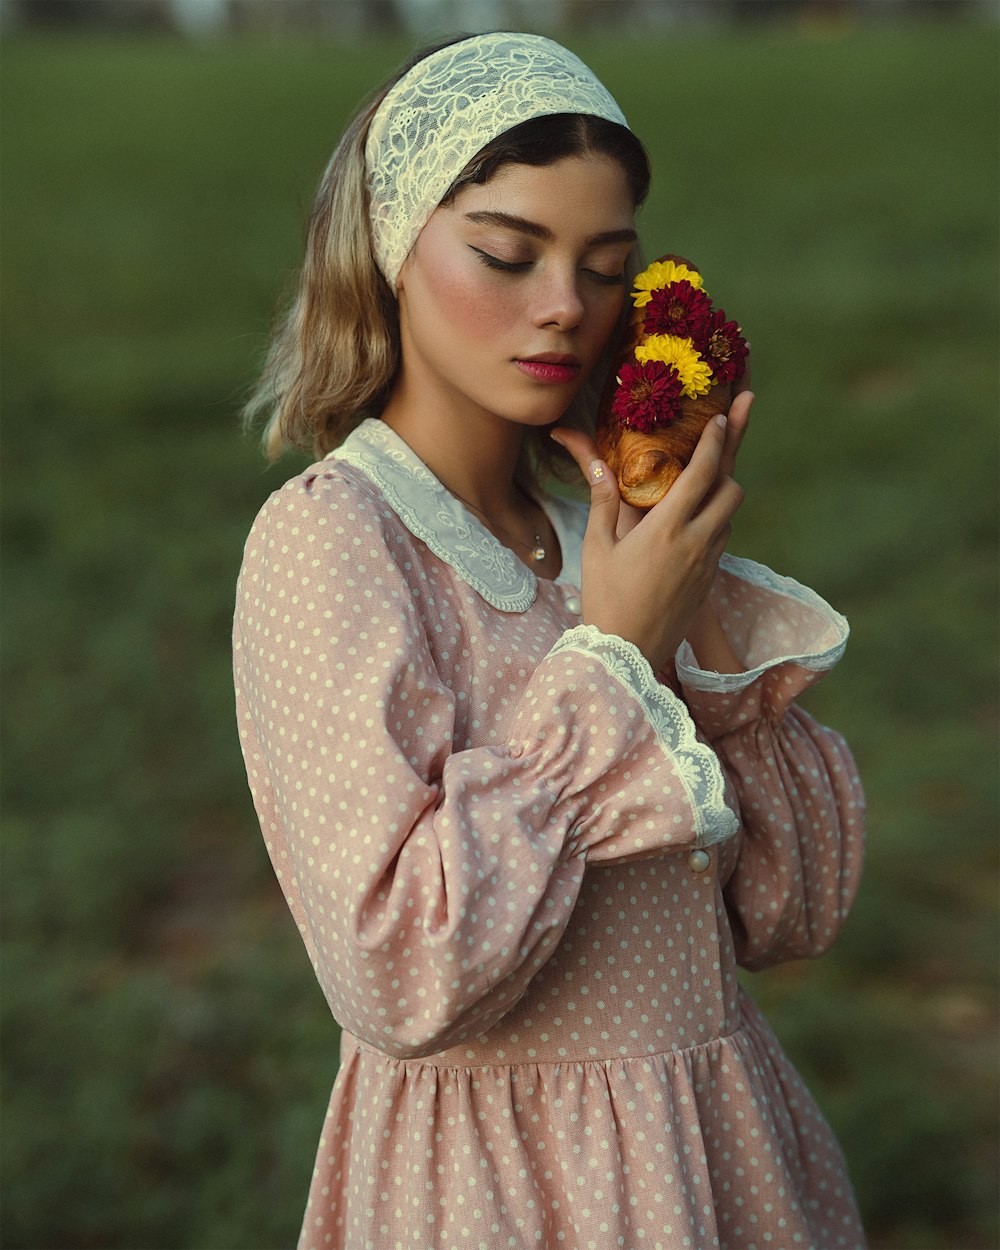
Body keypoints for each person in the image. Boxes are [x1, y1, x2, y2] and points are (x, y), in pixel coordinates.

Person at [234, 31, 866, 1250]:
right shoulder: (336, 543)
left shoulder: (607, 543)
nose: (565, 306)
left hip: (715, 1146)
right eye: (506, 254)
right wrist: (615, 656)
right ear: (386, 246)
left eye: (606, 265)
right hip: (504, 1183)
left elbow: (791, 915)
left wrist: (687, 604)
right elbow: (399, 971)